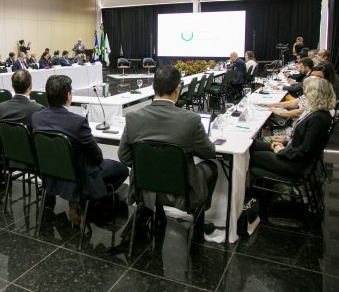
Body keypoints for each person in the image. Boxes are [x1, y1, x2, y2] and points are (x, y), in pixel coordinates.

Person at [118, 65, 217, 238]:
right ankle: (198, 217)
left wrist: (148, 165)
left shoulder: (133, 117)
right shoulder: (191, 120)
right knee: (212, 168)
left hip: (144, 189)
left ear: (153, 87)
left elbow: (124, 155)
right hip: (182, 193)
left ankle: (156, 211)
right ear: (177, 89)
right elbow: (209, 153)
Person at [31, 75, 129, 225]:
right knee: (123, 170)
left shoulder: (36, 117)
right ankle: (91, 200)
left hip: (52, 171)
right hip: (80, 175)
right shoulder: (77, 122)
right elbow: (97, 157)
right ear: (68, 95)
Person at [250, 76, 335, 177]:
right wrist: (285, 142)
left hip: (293, 165)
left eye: (306, 90)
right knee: (252, 144)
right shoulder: (316, 112)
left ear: (314, 94)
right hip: (291, 152)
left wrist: (281, 151)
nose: (304, 92)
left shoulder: (318, 118)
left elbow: (304, 151)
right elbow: (303, 142)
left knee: (247, 154)